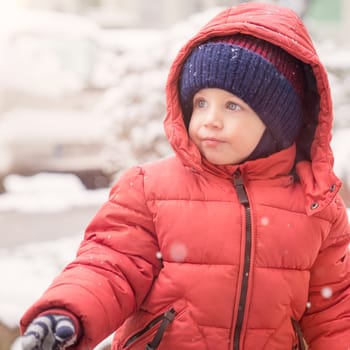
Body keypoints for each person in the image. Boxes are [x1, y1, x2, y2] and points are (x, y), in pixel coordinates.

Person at [20, 2, 350, 350]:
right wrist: (66, 311)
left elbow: (335, 312)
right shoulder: (150, 189)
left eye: (232, 106)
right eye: (201, 103)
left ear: (278, 124)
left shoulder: (317, 209)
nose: (210, 119)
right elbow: (110, 266)